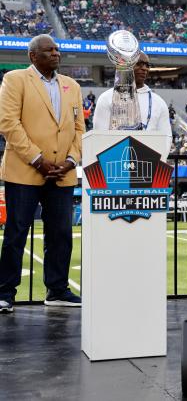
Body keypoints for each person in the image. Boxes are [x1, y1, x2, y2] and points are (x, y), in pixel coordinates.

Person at [0, 34, 84, 313]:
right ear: (33, 56)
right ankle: (5, 293)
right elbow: (8, 123)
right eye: (49, 50)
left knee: (61, 233)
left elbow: (79, 129)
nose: (56, 53)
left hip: (62, 173)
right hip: (25, 170)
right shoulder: (15, 80)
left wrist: (72, 160)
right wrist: (38, 160)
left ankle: (57, 290)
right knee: (16, 232)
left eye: (58, 49)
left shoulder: (71, 85)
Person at [92, 52, 172, 154]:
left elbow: (167, 138)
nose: (144, 68)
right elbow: (100, 137)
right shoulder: (106, 98)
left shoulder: (159, 102)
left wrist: (155, 160)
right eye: (139, 64)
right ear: (125, 65)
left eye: (147, 65)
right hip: (115, 162)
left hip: (148, 164)